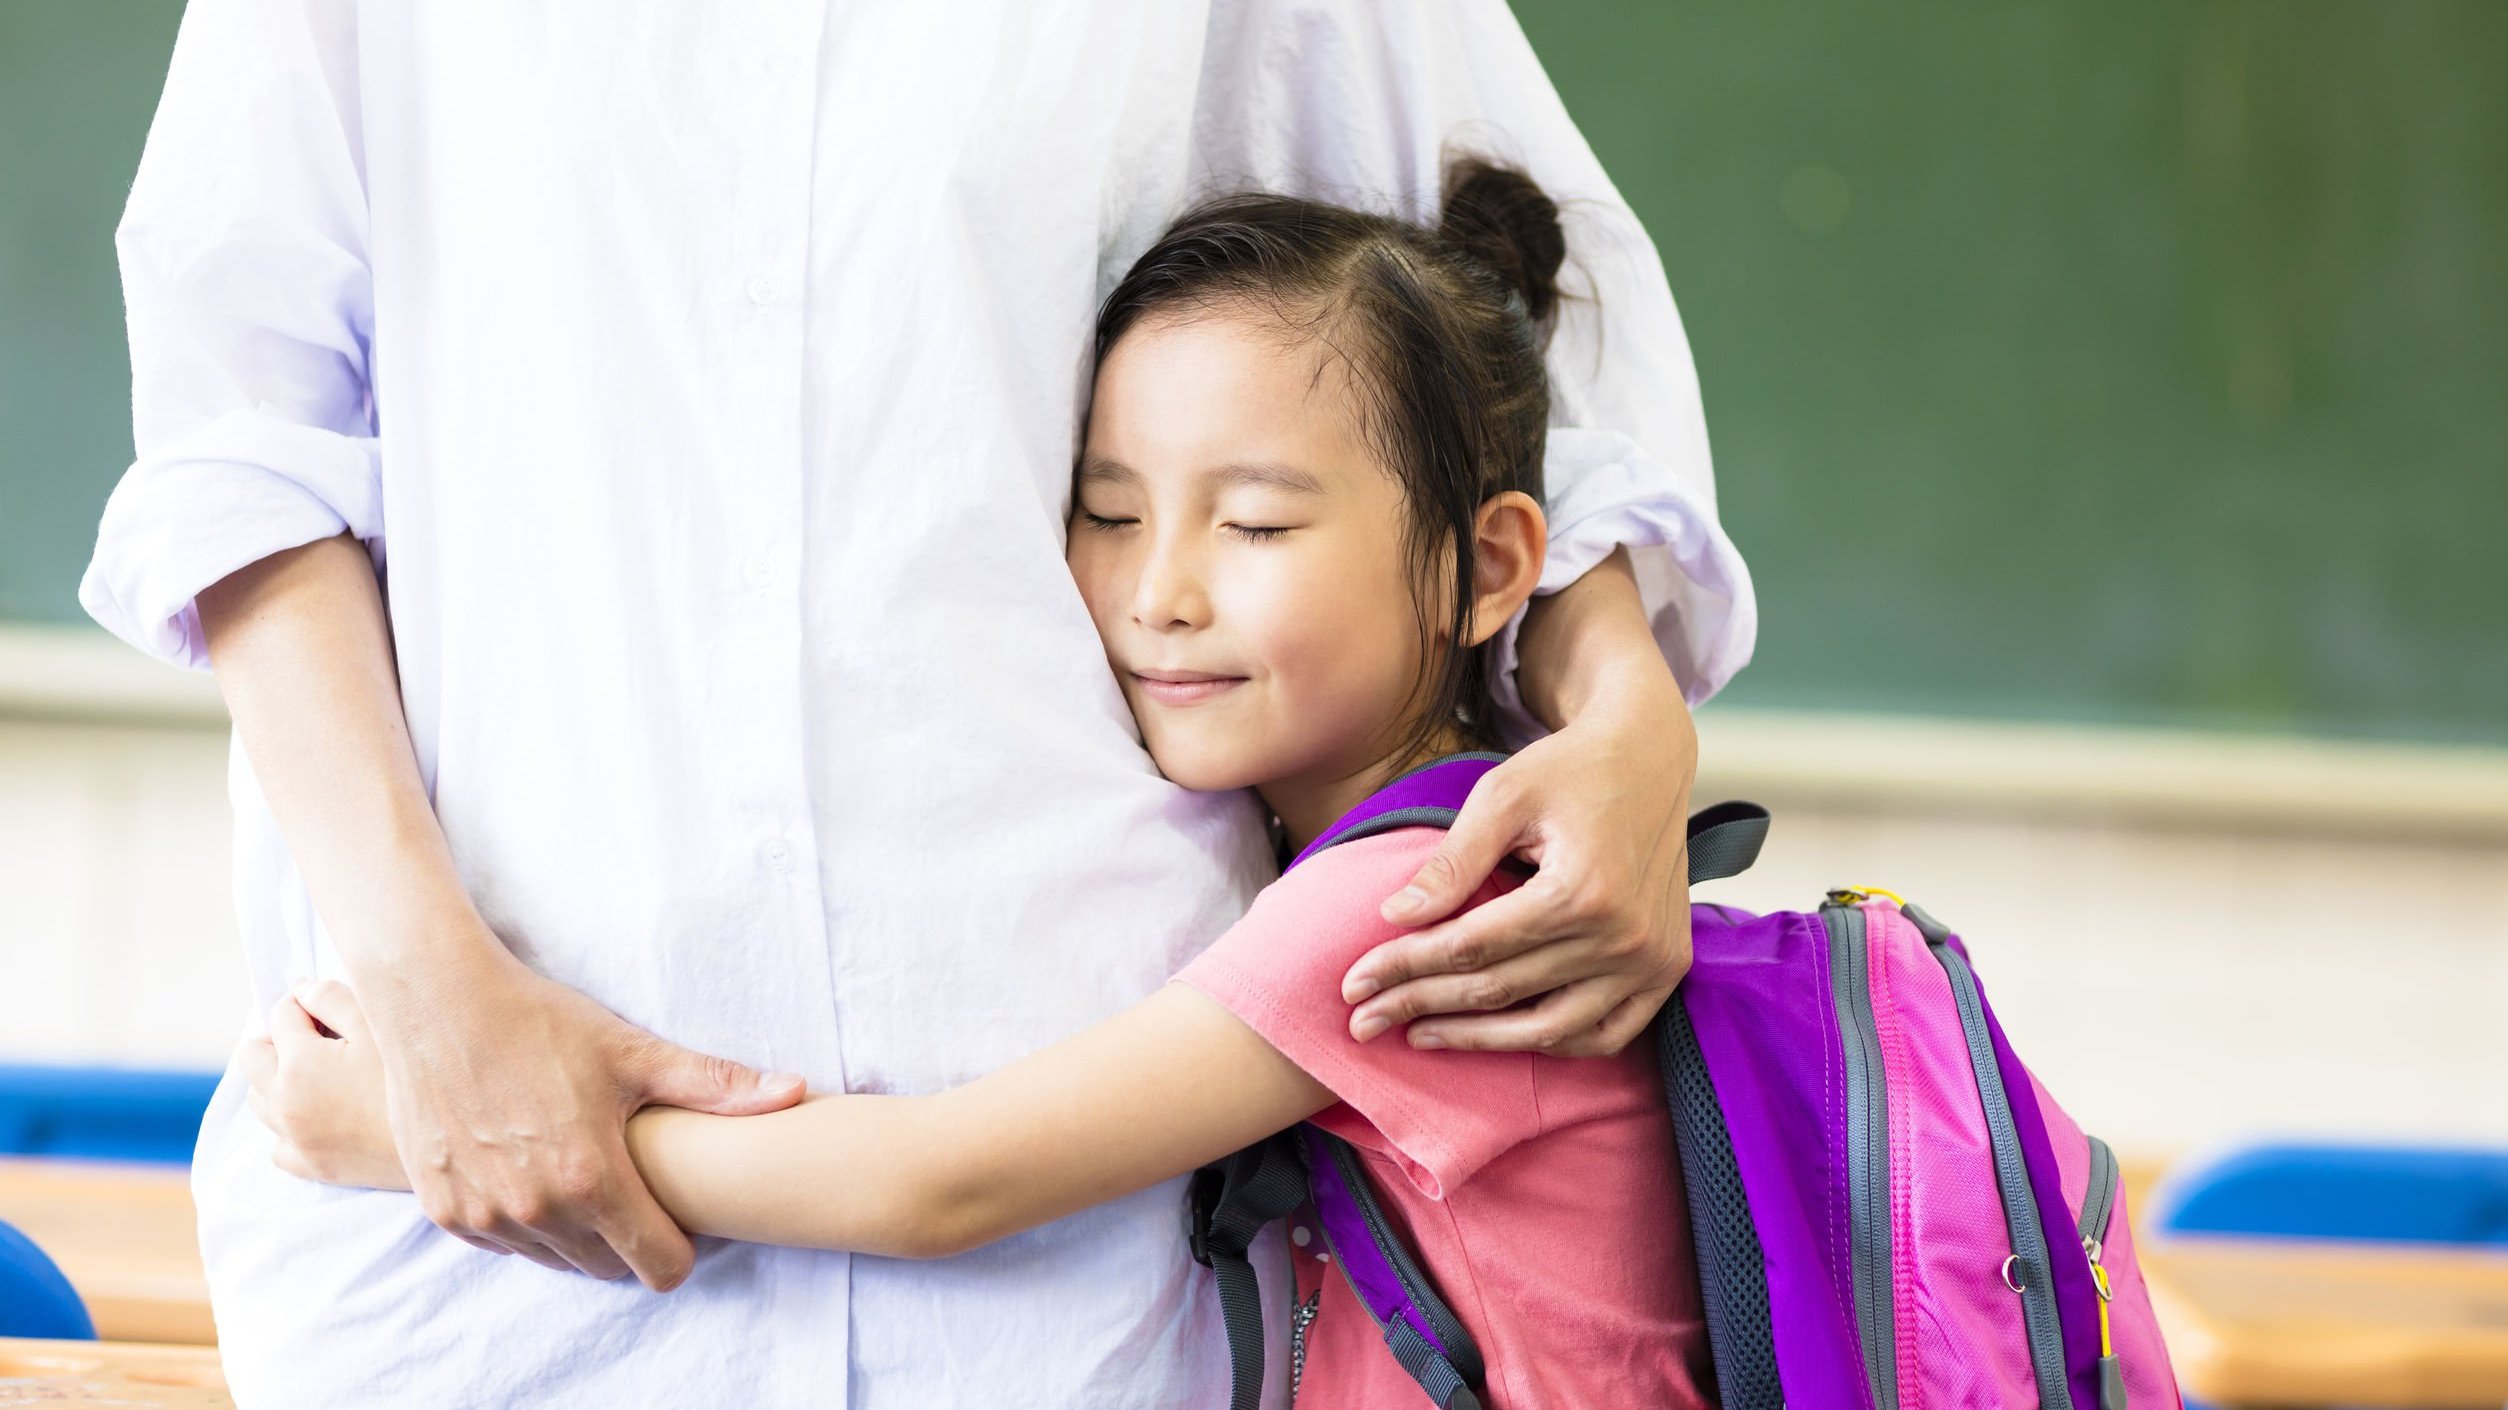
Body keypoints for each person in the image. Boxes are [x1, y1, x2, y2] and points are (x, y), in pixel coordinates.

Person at [82, 3, 1752, 1406]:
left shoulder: (1374, 906)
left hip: (1081, 1245)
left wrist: (1623, 726)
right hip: (477, 1237)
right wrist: (429, 1008)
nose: (1169, 576)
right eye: (1119, 512)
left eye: (1238, 528)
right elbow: (242, 453)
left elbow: (1515, 359)